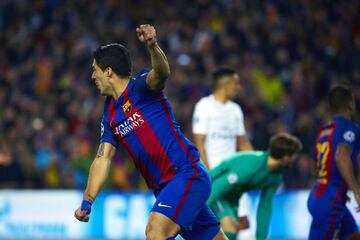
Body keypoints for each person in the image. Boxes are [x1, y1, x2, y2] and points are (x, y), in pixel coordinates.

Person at [73, 24, 227, 240]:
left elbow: (162, 72)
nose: (92, 76)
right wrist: (87, 201)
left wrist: (153, 45)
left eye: (95, 70)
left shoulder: (141, 88)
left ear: (108, 71)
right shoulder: (110, 113)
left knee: (155, 231)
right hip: (167, 189)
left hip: (186, 174)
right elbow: (103, 158)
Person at [207, 133, 302, 240]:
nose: (295, 159)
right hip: (212, 189)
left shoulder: (276, 176)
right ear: (285, 157)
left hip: (231, 198)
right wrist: (194, 212)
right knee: (230, 227)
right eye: (294, 156)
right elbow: (218, 187)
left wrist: (261, 238)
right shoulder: (250, 166)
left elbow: (265, 208)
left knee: (232, 233)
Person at [192, 67, 253, 234]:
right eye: (236, 83)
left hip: (235, 178)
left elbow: (243, 144)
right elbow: (199, 144)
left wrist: (257, 166)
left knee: (242, 225)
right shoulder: (204, 106)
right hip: (215, 178)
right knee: (228, 225)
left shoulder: (235, 110)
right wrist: (209, 175)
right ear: (225, 84)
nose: (239, 87)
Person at [307, 86, 360, 240]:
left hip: (319, 195)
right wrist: (356, 190)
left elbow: (313, 165)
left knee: (353, 236)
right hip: (330, 202)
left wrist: (335, 184)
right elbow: (341, 157)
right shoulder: (351, 127)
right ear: (350, 104)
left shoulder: (323, 131)